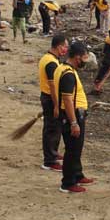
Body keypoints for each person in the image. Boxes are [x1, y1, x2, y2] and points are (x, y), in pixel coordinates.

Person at [53, 41, 95, 193]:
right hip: (73, 115)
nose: (84, 62)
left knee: (77, 148)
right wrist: (74, 122)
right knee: (72, 149)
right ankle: (68, 183)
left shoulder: (62, 68)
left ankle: (77, 174)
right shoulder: (68, 75)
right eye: (84, 58)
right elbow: (67, 99)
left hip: (73, 114)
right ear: (77, 57)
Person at [38, 34, 69, 172]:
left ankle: (53, 153)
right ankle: (49, 161)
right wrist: (57, 105)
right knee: (52, 129)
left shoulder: (47, 58)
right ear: (59, 46)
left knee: (53, 128)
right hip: (50, 98)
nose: (66, 49)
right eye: (65, 46)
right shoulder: (51, 63)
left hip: (48, 97)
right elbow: (52, 86)